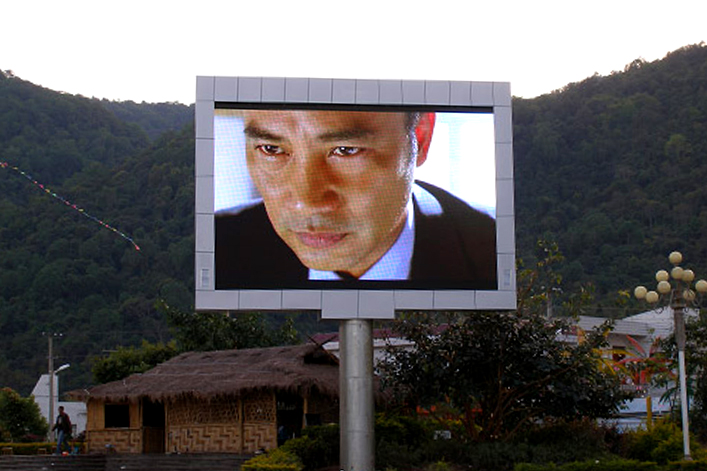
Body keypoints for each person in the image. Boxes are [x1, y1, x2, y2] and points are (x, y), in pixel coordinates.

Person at [215, 109, 496, 288]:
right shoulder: (219, 246)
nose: (306, 203)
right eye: (271, 149)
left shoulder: (493, 253)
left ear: (420, 138)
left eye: (346, 150)